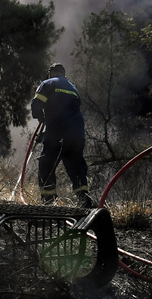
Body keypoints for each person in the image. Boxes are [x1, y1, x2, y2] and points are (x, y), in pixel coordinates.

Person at [30, 63, 94, 208]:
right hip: (77, 135)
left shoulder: (48, 83)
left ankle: (49, 202)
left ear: (50, 73)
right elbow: (67, 112)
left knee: (46, 165)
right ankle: (84, 201)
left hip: (57, 134)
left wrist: (40, 117)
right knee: (76, 168)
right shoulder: (73, 88)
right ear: (64, 74)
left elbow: (36, 105)